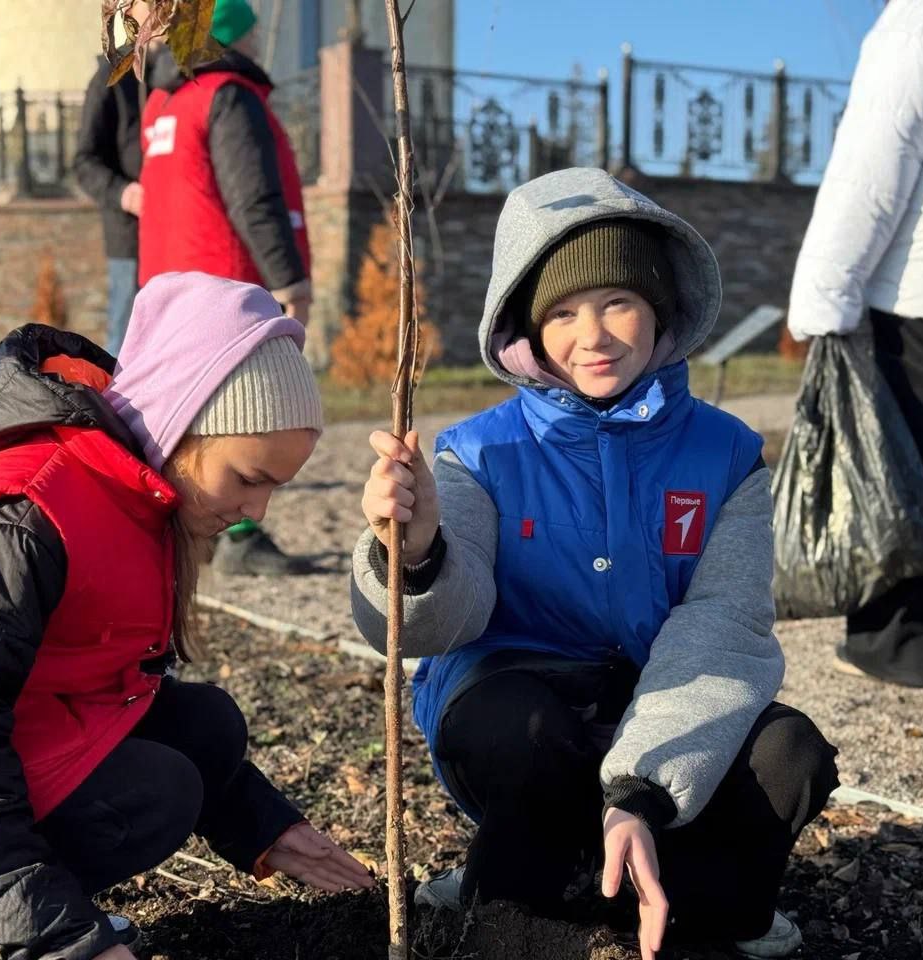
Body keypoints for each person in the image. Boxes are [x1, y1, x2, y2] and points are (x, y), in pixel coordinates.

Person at [0, 272, 373, 960]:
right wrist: (58, 937)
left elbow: (115, 689)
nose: (256, 512)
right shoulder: (20, 522)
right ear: (180, 426)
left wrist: (264, 826)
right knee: (155, 793)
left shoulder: (133, 500)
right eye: (249, 478)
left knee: (204, 727)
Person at [351, 168, 839, 960]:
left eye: (618, 303)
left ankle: (692, 900)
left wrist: (638, 788)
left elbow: (724, 624)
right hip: (524, 706)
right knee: (525, 737)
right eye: (564, 312)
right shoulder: (478, 451)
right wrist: (409, 552)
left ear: (660, 307)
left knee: (789, 756)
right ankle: (505, 894)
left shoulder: (731, 457)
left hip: (666, 703)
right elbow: (443, 619)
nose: (594, 335)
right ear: (527, 326)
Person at [787, 0, 923, 689]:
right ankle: (901, 638)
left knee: (902, 468)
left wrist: (822, 302)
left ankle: (895, 641)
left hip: (919, 295)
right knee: (916, 466)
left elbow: (872, 164)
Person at [137, 0, 314, 577]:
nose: (260, 40)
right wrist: (289, 281)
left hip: (168, 285)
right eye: (251, 31)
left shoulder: (166, 102)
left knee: (187, 425)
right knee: (242, 419)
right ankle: (239, 536)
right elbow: (254, 197)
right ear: (226, 36)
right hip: (226, 285)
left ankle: (180, 538)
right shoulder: (228, 95)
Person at [73, 0, 155, 356]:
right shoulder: (110, 78)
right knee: (125, 345)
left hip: (178, 238)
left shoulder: (178, 72)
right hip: (129, 242)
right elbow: (84, 162)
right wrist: (124, 194)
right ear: (128, 13)